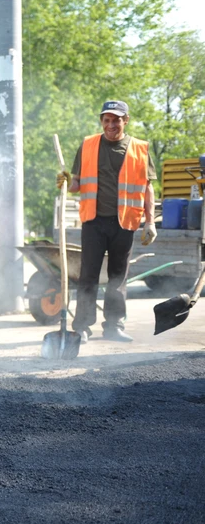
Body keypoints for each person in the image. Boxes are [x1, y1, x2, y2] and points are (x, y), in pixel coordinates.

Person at [57, 100, 157, 343]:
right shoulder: (88, 145)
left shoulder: (140, 149)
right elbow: (77, 184)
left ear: (126, 120)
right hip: (93, 221)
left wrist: (150, 222)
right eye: (107, 120)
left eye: (116, 119)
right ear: (102, 121)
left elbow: (147, 188)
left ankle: (114, 326)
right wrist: (65, 181)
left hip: (125, 222)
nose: (111, 124)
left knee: (117, 277)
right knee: (88, 276)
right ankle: (81, 327)